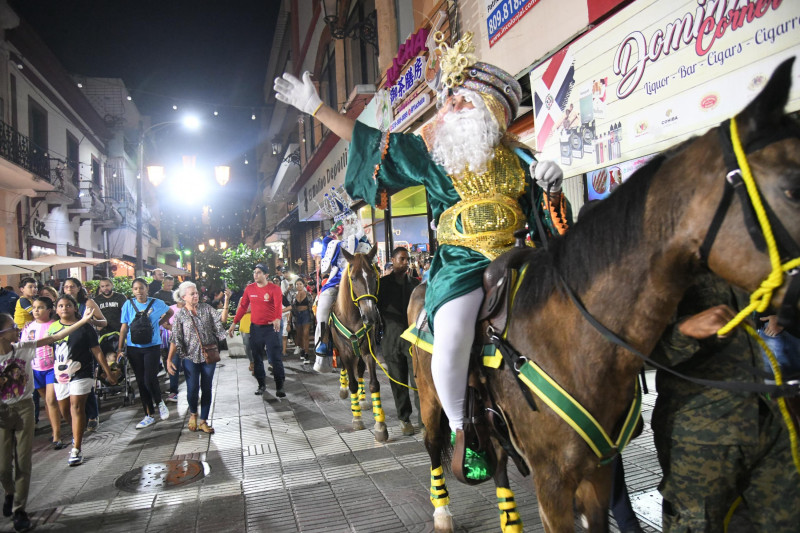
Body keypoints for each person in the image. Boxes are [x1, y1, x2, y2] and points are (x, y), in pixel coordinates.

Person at [274, 32, 569, 467]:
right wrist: (318, 109)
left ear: (490, 112)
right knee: (450, 335)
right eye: (447, 100)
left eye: (460, 101)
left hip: (520, 258)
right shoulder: (434, 155)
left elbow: (548, 221)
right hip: (462, 263)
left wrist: (552, 184)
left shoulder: (520, 158)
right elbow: (370, 140)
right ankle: (462, 430)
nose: (447, 108)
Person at [651, 273, 800, 531]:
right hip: (702, 433)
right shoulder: (663, 258)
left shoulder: (756, 254)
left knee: (788, 520)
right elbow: (624, 350)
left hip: (767, 418)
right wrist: (684, 331)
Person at [0, 305, 100, 531]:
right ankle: (9, 492)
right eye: (12, 328)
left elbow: (56, 336)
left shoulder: (23, 347)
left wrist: (83, 321)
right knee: (4, 466)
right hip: (2, 412)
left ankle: (19, 510)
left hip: (24, 408)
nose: (18, 330)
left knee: (23, 461)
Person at [48, 296, 117, 467]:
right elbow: (52, 352)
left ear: (74, 308)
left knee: (76, 406)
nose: (64, 308)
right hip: (60, 374)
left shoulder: (86, 327)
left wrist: (107, 372)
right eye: (61, 306)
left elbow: (97, 351)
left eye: (68, 305)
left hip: (82, 372)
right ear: (56, 310)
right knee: (64, 409)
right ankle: (76, 432)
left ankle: (76, 448)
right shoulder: (53, 328)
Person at [313, 203, 373, 373]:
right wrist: (336, 244)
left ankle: (377, 336)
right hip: (336, 281)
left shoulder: (360, 239)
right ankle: (322, 346)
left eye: (350, 221)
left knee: (372, 299)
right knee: (323, 308)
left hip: (357, 280)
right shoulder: (329, 242)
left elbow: (369, 260)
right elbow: (325, 268)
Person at [167, 281, 225, 434]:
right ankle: (193, 413)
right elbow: (175, 338)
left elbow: (220, 323)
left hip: (208, 355)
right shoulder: (180, 315)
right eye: (192, 294)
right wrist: (169, 359)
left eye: (196, 293)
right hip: (189, 357)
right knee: (192, 388)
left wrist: (226, 306)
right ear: (183, 297)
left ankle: (204, 420)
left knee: (207, 387)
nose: (195, 295)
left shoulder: (206, 309)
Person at [117, 278, 174, 429]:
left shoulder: (156, 303)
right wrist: (120, 347)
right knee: (141, 382)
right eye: (135, 289)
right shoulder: (128, 305)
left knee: (150, 378)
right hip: (134, 347)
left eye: (141, 288)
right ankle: (148, 414)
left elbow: (170, 312)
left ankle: (160, 403)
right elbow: (124, 327)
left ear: (147, 288)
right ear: (132, 290)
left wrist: (160, 323)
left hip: (152, 346)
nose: (139, 292)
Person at [377, 246, 420, 436]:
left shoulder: (415, 284)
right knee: (399, 382)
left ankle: (424, 419)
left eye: (407, 259)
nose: (405, 262)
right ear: (392, 260)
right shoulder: (382, 285)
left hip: (413, 339)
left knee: (418, 381)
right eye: (402, 259)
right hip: (392, 340)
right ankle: (405, 419)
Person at [228, 264, 285, 397]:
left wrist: (277, 318)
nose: (256, 275)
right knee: (257, 358)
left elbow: (278, 305)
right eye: (254, 272)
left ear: (266, 275)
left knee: (276, 358)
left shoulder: (274, 289)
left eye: (259, 272)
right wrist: (234, 323)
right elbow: (242, 307)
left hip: (271, 328)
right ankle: (261, 385)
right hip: (256, 328)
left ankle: (279, 386)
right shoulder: (249, 289)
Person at [20, 297, 66, 449]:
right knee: (46, 401)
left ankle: (57, 436)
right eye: (34, 307)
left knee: (51, 400)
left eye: (40, 307)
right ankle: (55, 430)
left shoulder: (54, 326)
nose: (36, 311)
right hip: (35, 368)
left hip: (52, 368)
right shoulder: (28, 327)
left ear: (49, 310)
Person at [62, 278, 107, 432]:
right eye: (66, 287)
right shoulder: (61, 305)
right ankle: (78, 418)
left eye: (72, 286)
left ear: (78, 288)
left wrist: (89, 321)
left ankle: (92, 415)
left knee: (86, 383)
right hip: (67, 350)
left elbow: (103, 322)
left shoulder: (87, 304)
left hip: (86, 346)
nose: (69, 289)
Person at [290, 280, 313, 364]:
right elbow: (291, 307)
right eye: (297, 284)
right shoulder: (293, 295)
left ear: (303, 285)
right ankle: (303, 349)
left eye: (300, 284)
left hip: (306, 314)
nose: (298, 286)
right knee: (299, 335)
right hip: (297, 316)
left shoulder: (308, 294)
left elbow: (311, 305)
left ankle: (306, 354)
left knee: (306, 334)